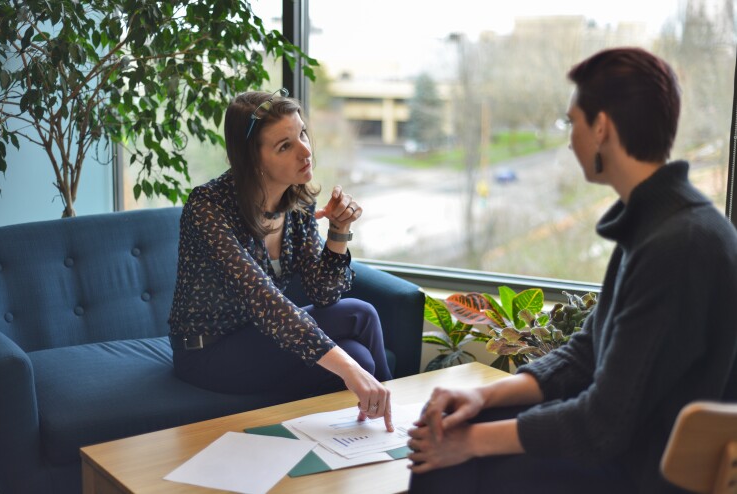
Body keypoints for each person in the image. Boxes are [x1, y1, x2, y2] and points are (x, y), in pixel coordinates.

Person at [407, 47, 737, 493]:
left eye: (572, 122)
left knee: (455, 457)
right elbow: (586, 355)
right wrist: (480, 396)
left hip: (649, 473)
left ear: (600, 128)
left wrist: (470, 444)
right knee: (458, 425)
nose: (568, 139)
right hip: (628, 448)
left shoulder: (678, 245)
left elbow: (602, 425)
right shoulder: (659, 224)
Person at [168, 88, 394, 431]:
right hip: (209, 353)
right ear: (252, 159)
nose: (305, 150)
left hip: (263, 337)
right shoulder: (208, 208)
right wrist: (347, 369)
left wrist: (339, 230)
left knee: (362, 329)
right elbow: (265, 302)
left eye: (301, 133)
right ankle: (400, 419)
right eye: (284, 146)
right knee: (356, 350)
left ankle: (395, 423)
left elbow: (323, 294)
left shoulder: (296, 203)